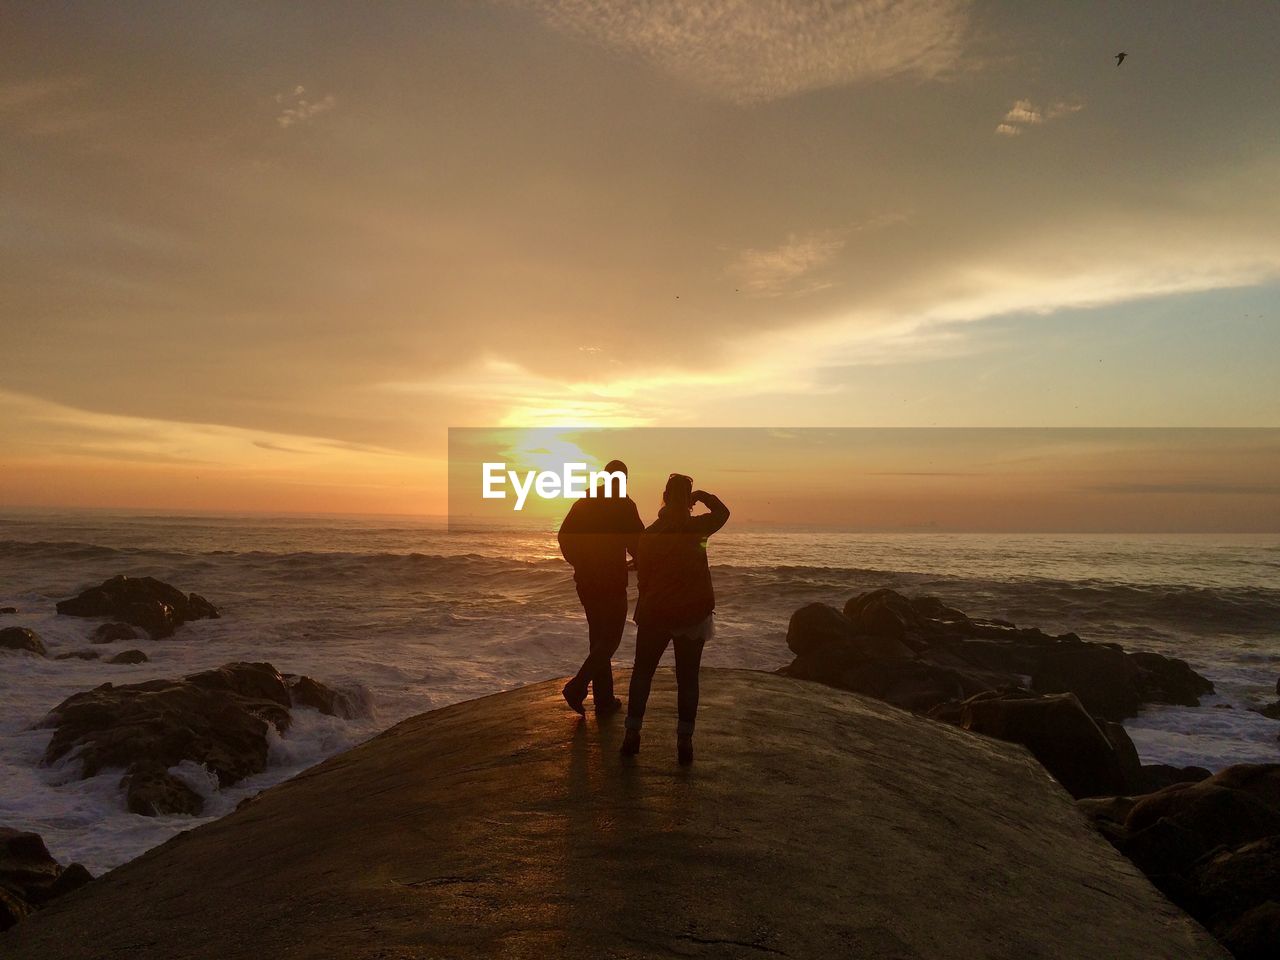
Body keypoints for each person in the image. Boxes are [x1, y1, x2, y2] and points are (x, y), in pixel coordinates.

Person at [621, 473, 729, 765]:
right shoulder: (698, 528)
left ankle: (632, 732)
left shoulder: (651, 535)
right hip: (693, 614)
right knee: (688, 679)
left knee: (642, 673)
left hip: (656, 612)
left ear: (665, 497)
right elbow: (723, 513)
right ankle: (685, 741)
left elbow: (644, 578)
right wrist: (703, 496)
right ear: (688, 501)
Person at [557, 459, 644, 717]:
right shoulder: (624, 506)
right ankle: (578, 686)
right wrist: (640, 560)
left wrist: (581, 563)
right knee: (611, 639)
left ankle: (603, 700)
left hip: (586, 582)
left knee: (598, 638)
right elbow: (638, 542)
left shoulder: (584, 503)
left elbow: (564, 537)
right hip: (611, 581)